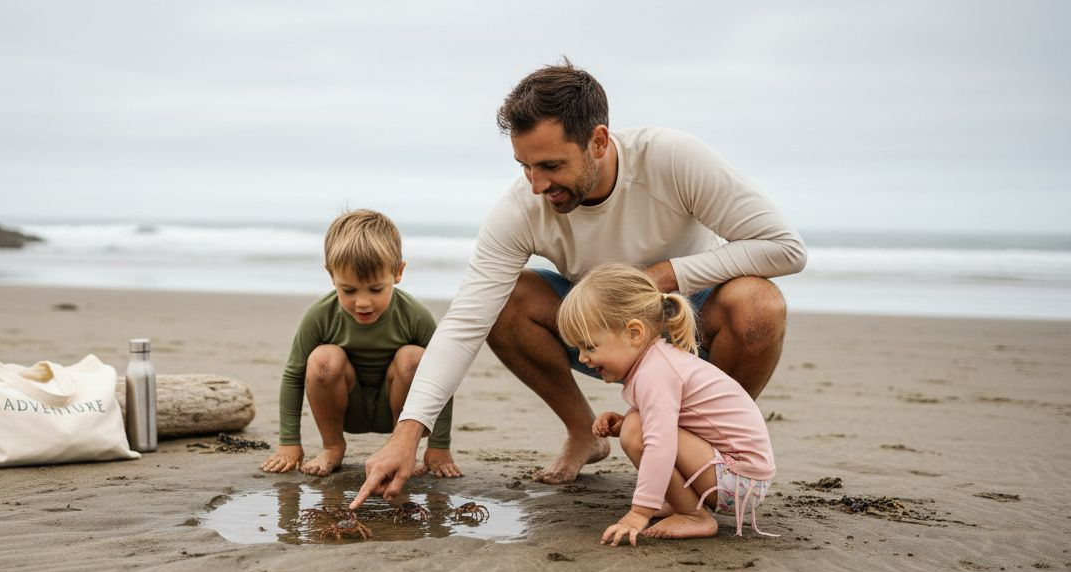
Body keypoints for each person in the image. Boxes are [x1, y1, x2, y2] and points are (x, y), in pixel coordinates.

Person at [353, 60, 804, 508]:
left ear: (600, 141)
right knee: (506, 300)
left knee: (759, 304)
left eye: (550, 164)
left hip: (685, 324)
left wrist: (666, 275)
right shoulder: (521, 208)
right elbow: (466, 321)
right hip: (596, 334)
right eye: (524, 166)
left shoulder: (671, 159)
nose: (536, 184)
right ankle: (580, 432)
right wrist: (408, 434)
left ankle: (705, 451)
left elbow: (786, 248)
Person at [558, 263, 776, 544]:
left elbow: (660, 443)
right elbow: (681, 419)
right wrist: (623, 423)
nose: (583, 358)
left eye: (590, 346)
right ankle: (682, 502)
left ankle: (694, 515)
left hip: (741, 479)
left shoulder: (655, 372)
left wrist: (639, 512)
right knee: (634, 425)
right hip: (737, 476)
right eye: (578, 349)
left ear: (634, 333)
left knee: (637, 431)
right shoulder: (657, 363)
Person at [260, 209, 461, 478]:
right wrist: (289, 442)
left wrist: (439, 446)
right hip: (344, 407)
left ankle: (401, 448)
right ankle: (332, 447)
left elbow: (441, 378)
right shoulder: (320, 315)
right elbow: (293, 375)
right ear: (331, 275)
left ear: (398, 272)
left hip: (399, 411)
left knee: (414, 358)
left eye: (376, 289)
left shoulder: (414, 315)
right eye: (349, 290)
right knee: (322, 359)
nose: (363, 302)